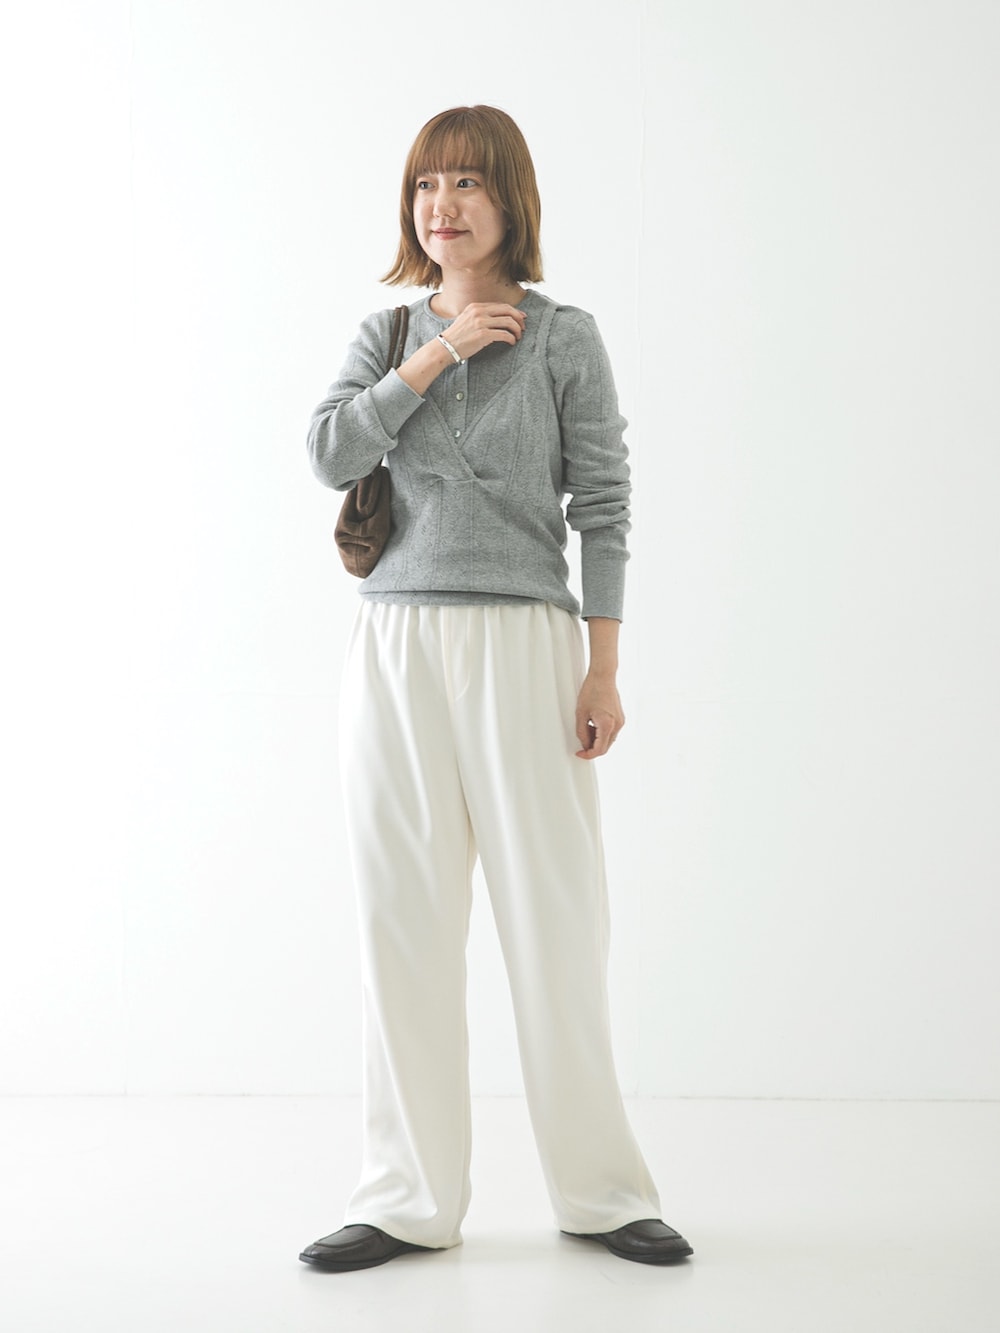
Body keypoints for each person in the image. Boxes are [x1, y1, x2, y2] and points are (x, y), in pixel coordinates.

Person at [299, 105, 692, 1272]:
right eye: (428, 184)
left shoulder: (567, 338)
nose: (444, 205)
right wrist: (436, 353)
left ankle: (602, 1192)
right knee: (401, 922)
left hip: (526, 642)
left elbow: (604, 506)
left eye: (468, 183)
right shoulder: (385, 333)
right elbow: (327, 451)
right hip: (395, 645)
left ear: (509, 199)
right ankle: (406, 1197)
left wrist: (602, 665)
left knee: (555, 921)